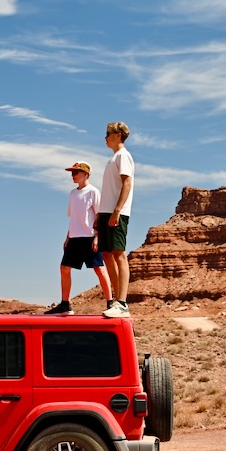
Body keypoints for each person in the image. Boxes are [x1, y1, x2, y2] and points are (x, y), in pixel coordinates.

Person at [45, 162, 112, 315]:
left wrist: (97, 237)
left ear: (86, 175)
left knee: (99, 269)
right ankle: (65, 304)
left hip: (89, 237)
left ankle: (110, 303)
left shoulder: (93, 192)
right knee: (64, 269)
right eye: (72, 172)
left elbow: (99, 216)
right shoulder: (72, 194)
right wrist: (67, 237)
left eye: (76, 172)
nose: (73, 175)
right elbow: (73, 218)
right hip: (74, 237)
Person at [97, 122, 134, 318]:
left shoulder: (123, 156)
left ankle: (122, 303)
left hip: (116, 212)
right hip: (106, 212)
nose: (105, 137)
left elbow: (126, 183)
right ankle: (114, 301)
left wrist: (117, 210)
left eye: (108, 134)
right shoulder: (113, 158)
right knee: (107, 254)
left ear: (117, 135)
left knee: (119, 253)